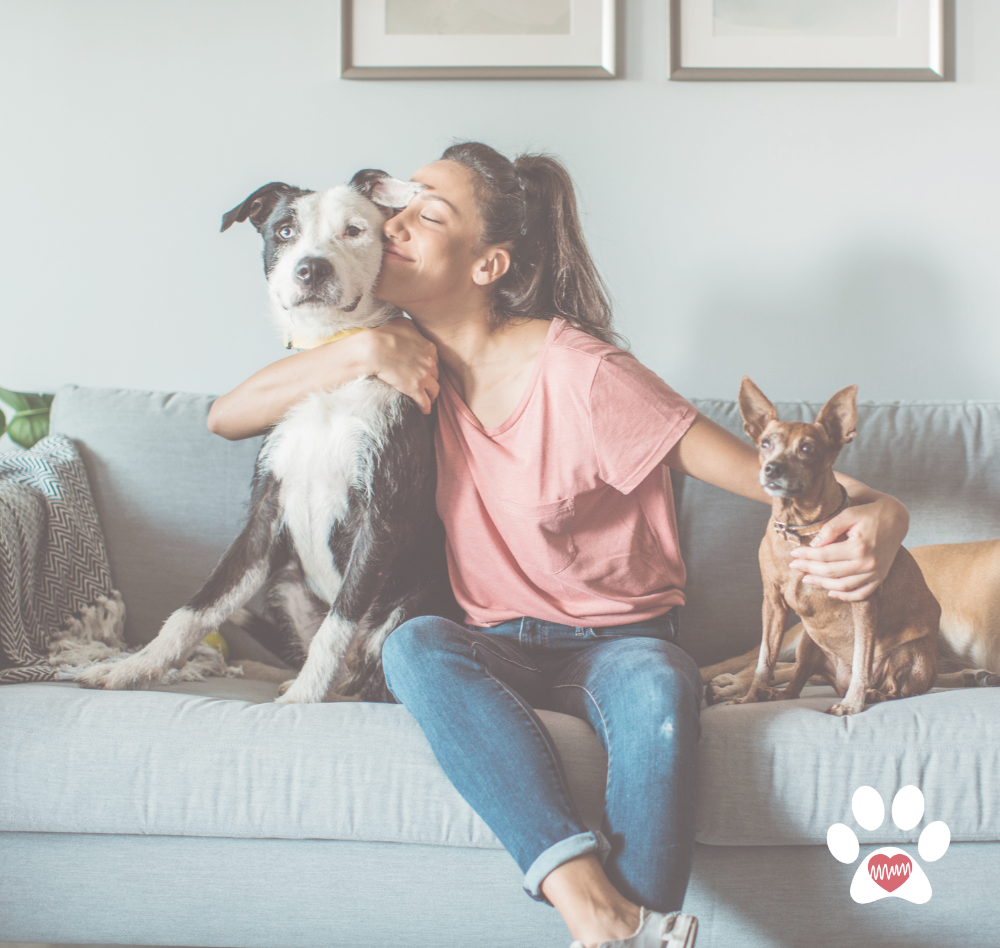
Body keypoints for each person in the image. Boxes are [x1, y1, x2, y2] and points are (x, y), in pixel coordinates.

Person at [208, 143, 909, 948]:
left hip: (619, 644)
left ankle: (618, 929)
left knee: (659, 694)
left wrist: (887, 515)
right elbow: (226, 416)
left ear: (487, 264)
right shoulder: (397, 355)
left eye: (426, 213)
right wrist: (361, 349)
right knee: (414, 647)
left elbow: (772, 478)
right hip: (490, 643)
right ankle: (598, 909)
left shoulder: (584, 373)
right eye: (399, 208)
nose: (394, 223)